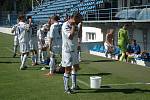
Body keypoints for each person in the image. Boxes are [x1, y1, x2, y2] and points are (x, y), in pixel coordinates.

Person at [62, 12, 82, 94]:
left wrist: (81, 26)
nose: (81, 20)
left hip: (74, 49)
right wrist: (73, 26)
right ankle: (66, 88)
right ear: (75, 18)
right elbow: (70, 36)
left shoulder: (76, 25)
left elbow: (79, 35)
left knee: (76, 67)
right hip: (68, 50)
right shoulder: (65, 25)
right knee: (68, 69)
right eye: (80, 19)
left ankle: (74, 85)